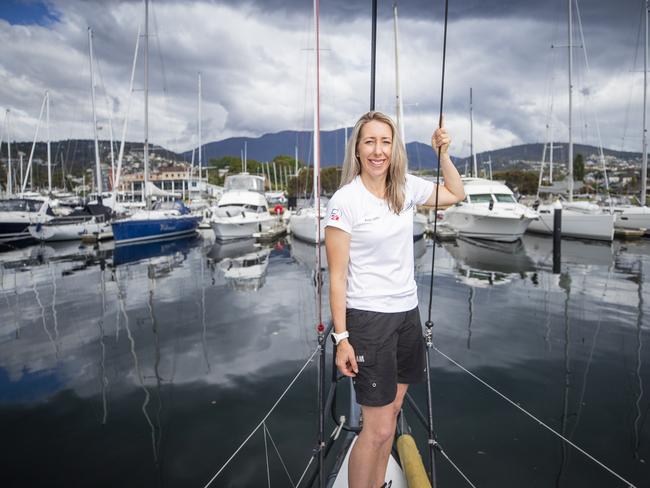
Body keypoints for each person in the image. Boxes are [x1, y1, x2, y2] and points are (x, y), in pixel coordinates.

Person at [324, 111, 464, 488]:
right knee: (379, 428)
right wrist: (342, 339)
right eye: (369, 141)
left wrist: (443, 155)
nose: (378, 150)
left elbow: (455, 194)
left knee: (393, 414)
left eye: (385, 141)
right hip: (369, 321)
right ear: (357, 149)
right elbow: (336, 277)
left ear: (394, 147)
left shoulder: (405, 188)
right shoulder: (345, 201)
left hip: (406, 315)